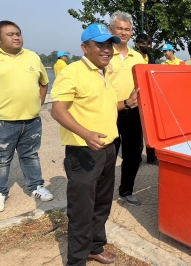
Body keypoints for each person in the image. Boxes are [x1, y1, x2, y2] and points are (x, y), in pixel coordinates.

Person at [51, 23, 139, 265]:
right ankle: (77, 260)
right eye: (99, 45)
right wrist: (86, 133)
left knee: (101, 204)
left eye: (109, 44)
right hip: (83, 151)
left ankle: (94, 247)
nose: (107, 49)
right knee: (81, 209)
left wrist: (128, 103)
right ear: (84, 47)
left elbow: (110, 107)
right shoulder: (72, 72)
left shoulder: (105, 72)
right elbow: (58, 111)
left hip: (108, 148)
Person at [0, 20, 53, 213]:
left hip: (31, 121)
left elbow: (43, 83)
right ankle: (0, 192)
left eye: (18, 33)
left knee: (30, 155)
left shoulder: (32, 56)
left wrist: (37, 106)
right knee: (2, 159)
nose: (16, 37)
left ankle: (36, 186)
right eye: (10, 34)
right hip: (3, 122)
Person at [108, 11, 156, 207]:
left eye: (127, 29)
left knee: (133, 155)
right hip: (109, 111)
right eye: (119, 28)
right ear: (111, 29)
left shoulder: (139, 57)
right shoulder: (104, 53)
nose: (123, 32)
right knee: (107, 155)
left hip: (134, 112)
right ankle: (102, 193)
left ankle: (126, 190)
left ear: (132, 32)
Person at [135, 33, 159, 165]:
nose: (146, 46)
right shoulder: (134, 58)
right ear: (137, 45)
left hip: (149, 98)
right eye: (143, 44)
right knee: (137, 130)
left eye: (148, 44)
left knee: (150, 129)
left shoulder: (151, 58)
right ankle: (137, 156)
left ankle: (151, 156)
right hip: (136, 98)